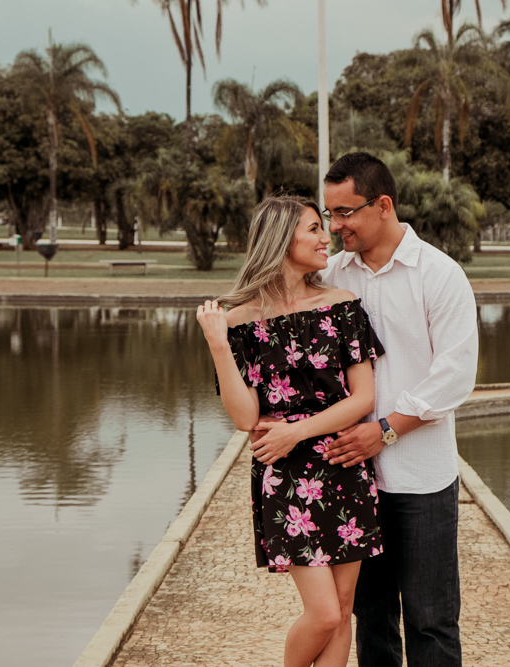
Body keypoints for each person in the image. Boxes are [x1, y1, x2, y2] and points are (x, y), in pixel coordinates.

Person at [196, 195, 387, 667]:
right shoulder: (237, 322)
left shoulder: (343, 307)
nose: (327, 238)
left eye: (324, 227)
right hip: (286, 475)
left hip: (344, 464)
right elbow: (245, 418)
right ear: (282, 239)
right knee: (323, 614)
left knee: (343, 609)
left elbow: (363, 399)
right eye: (314, 229)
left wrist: (296, 432)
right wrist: (218, 344)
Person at [319, 152, 479, 667]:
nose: (335, 226)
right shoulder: (330, 276)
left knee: (431, 620)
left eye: (346, 212)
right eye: (329, 214)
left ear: (383, 205)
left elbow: (454, 376)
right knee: (372, 619)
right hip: (351, 478)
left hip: (421, 478)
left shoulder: (440, 274)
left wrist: (384, 430)